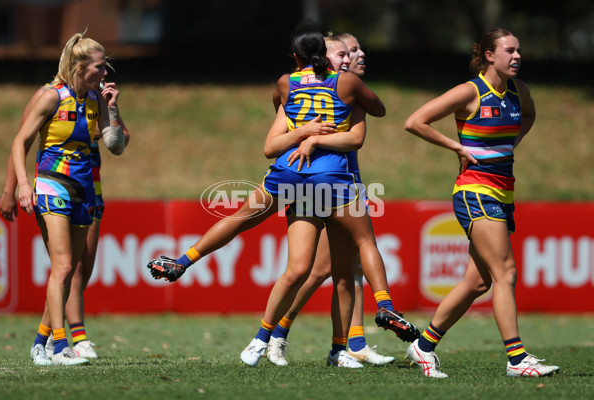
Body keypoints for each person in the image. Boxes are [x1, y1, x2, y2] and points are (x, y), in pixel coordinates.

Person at [148, 23, 417, 367]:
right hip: (332, 179)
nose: (351, 57)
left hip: (289, 175)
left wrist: (303, 130)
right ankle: (385, 307)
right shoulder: (347, 84)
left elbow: (272, 141)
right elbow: (370, 120)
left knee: (265, 240)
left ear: (294, 56)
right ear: (326, 55)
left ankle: (186, 265)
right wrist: (347, 109)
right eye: (344, 53)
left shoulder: (285, 83)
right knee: (361, 248)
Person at [403, 28, 559, 378]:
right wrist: (457, 147)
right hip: (475, 191)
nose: (517, 56)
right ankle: (517, 359)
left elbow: (529, 116)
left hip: (504, 192)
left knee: (478, 282)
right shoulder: (470, 91)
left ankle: (423, 345)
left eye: (519, 50)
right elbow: (415, 121)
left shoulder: (520, 92)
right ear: (489, 55)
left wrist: (508, 144)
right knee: (506, 272)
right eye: (510, 50)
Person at [265, 33, 397, 367]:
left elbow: (356, 138)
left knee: (349, 268)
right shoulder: (325, 87)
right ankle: (277, 334)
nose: (359, 54)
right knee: (318, 269)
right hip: (321, 185)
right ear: (329, 58)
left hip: (347, 182)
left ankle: (354, 343)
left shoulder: (352, 93)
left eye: (357, 48)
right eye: (350, 50)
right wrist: (307, 139)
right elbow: (289, 125)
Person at [12, 32, 125, 366]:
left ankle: (39, 343)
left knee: (69, 269)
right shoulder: (51, 97)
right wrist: (22, 184)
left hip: (84, 189)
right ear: (79, 67)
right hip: (52, 186)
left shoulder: (95, 99)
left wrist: (113, 109)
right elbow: (20, 142)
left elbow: (115, 145)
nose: (105, 73)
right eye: (100, 67)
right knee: (61, 267)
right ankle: (61, 347)